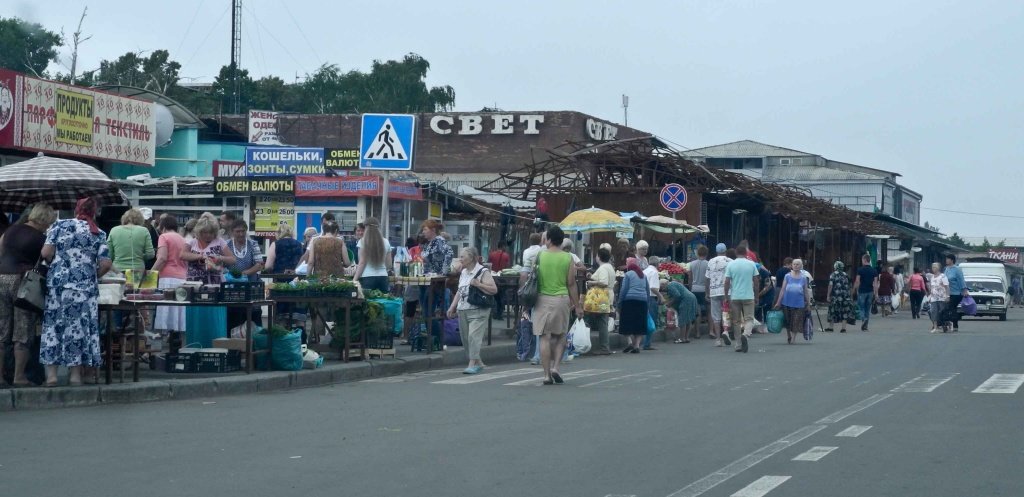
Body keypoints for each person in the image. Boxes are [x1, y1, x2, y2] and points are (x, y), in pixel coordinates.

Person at [39, 197, 113, 386]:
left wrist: (57, 264)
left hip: (58, 286)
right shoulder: (98, 233)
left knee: (53, 328)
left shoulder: (58, 226)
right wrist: (91, 274)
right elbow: (105, 264)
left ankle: (52, 376)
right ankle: (75, 376)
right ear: (94, 212)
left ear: (76, 210)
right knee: (77, 330)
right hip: (84, 289)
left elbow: (46, 253)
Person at [0, 203, 55, 387]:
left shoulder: (10, 230)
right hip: (22, 282)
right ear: (45, 219)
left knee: (2, 330)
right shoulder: (41, 238)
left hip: (1, 277)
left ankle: (0, 376)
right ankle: (19, 376)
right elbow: (49, 258)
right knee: (23, 331)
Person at [533, 225, 581, 384]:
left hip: (541, 299)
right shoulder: (568, 258)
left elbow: (533, 278)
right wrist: (577, 305)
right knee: (560, 335)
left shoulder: (539, 256)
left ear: (550, 239)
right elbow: (571, 283)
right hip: (561, 299)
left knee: (544, 337)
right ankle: (556, 367)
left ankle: (546, 375)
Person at [181, 216, 236, 347]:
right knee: (197, 317)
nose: (208, 235)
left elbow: (232, 259)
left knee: (213, 316)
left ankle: (215, 345)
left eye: (211, 232)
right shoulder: (192, 242)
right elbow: (182, 255)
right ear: (199, 231)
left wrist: (219, 257)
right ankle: (195, 345)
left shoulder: (220, 242)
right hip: (194, 287)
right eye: (205, 232)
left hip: (215, 286)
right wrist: (200, 256)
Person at [446, 247, 497, 375]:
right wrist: (452, 306)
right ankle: (478, 361)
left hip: (478, 309)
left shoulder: (483, 271)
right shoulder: (463, 272)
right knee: (466, 338)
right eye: (460, 257)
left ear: (472, 258)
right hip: (463, 309)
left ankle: (472, 363)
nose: (460, 259)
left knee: (473, 336)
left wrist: (479, 284)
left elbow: (494, 289)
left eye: (463, 257)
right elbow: (460, 291)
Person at [151, 215, 187, 336]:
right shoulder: (182, 239)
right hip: (182, 278)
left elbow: (162, 258)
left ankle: (165, 339)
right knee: (177, 311)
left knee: (166, 310)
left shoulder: (163, 236)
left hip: (167, 278)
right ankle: (176, 339)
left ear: (163, 227)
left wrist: (150, 274)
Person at [724, 245, 759, 352]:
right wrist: (756, 295)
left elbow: (726, 282)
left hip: (735, 296)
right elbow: (756, 281)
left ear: (736, 253)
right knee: (749, 318)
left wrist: (726, 296)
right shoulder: (751, 264)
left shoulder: (730, 264)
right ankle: (746, 334)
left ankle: (738, 344)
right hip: (748, 295)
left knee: (736, 321)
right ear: (745, 253)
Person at [107, 207, 155, 284]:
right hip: (137, 270)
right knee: (134, 295)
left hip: (117, 271)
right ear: (140, 219)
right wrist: (140, 256)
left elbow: (109, 254)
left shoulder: (114, 230)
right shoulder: (144, 231)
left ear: (124, 218)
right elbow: (150, 254)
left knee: (118, 293)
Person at [584, 247, 615, 355]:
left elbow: (603, 282)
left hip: (601, 298)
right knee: (603, 321)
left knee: (601, 322)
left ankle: (604, 347)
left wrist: (592, 283)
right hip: (607, 296)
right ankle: (604, 346)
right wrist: (592, 277)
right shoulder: (609, 267)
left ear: (599, 257)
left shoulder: (603, 268)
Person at [618, 258, 651, 355]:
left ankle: (629, 342)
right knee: (639, 323)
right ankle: (636, 345)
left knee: (626, 322)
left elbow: (624, 289)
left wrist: (620, 301)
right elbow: (647, 290)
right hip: (642, 301)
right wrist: (647, 303)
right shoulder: (643, 276)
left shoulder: (628, 274)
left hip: (630, 300)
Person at [775, 258, 811, 344]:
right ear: (791, 265)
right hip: (786, 302)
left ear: (801, 266)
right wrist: (778, 302)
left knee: (796, 320)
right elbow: (783, 289)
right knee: (788, 320)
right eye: (794, 264)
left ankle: (793, 339)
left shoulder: (803, 278)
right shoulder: (787, 276)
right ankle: (789, 336)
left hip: (799, 303)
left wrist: (808, 303)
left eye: (798, 264)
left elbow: (806, 290)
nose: (795, 266)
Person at [353, 217, 392, 293]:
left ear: (366, 227)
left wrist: (355, 279)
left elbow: (361, 263)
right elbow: (389, 264)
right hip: (383, 277)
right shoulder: (386, 242)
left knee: (369, 303)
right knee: (383, 302)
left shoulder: (362, 241)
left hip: (368, 277)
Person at [705, 243, 732, 347]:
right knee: (727, 312)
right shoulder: (730, 261)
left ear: (716, 251)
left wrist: (707, 292)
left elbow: (707, 278)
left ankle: (718, 339)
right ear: (726, 250)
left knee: (716, 316)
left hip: (714, 291)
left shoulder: (711, 262)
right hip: (727, 291)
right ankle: (726, 331)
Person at [826, 261, 854, 333]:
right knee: (844, 311)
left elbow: (830, 285)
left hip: (835, 296)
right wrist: (851, 296)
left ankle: (830, 327)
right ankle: (843, 328)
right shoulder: (846, 275)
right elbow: (850, 286)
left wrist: (828, 295)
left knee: (832, 311)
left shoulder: (833, 275)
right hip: (845, 296)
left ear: (835, 267)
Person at [852, 254, 879, 332]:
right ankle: (865, 326)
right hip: (870, 292)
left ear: (864, 260)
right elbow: (875, 283)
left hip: (862, 291)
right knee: (867, 309)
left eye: (862, 260)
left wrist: (854, 290)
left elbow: (857, 281)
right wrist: (876, 293)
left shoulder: (860, 270)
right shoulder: (874, 270)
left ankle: (863, 319)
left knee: (861, 307)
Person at [688, 245, 709, 338]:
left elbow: (690, 278)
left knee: (697, 311)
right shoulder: (708, 264)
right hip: (705, 289)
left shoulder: (692, 264)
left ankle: (697, 332)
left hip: (694, 289)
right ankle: (711, 330)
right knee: (709, 310)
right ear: (706, 253)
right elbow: (709, 278)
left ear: (697, 253)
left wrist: (690, 288)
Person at [642, 255, 662, 351]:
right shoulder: (654, 272)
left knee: (644, 320)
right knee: (651, 320)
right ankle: (647, 343)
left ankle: (641, 342)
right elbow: (653, 288)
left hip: (642, 297)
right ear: (657, 264)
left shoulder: (644, 271)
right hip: (650, 297)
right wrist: (660, 296)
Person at [943, 254, 968, 332]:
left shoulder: (957, 269)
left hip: (956, 293)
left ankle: (953, 325)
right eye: (946, 259)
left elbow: (961, 280)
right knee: (949, 309)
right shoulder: (946, 269)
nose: (946, 260)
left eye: (948, 259)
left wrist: (964, 290)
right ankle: (951, 325)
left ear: (952, 260)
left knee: (952, 308)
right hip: (948, 293)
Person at [488, 240, 511, 319]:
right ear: (503, 246)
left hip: (493, 278)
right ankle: (499, 314)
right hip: (502, 278)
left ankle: (494, 312)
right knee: (502, 295)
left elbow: (489, 265)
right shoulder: (506, 255)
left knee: (494, 296)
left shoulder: (491, 254)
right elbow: (507, 267)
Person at [927, 262, 950, 333]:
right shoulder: (932, 277)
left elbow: (947, 286)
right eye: (933, 267)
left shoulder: (943, 276)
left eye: (935, 267)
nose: (933, 268)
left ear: (939, 268)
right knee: (933, 312)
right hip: (934, 297)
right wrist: (930, 296)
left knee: (942, 313)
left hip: (942, 297)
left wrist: (947, 296)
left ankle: (946, 324)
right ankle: (935, 326)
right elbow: (931, 287)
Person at [755, 263, 775, 334]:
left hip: (768, 293)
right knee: (758, 309)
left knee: (767, 309)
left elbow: (768, 286)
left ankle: (766, 326)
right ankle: (759, 326)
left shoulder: (765, 273)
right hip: (758, 292)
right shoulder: (751, 272)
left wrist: (758, 295)